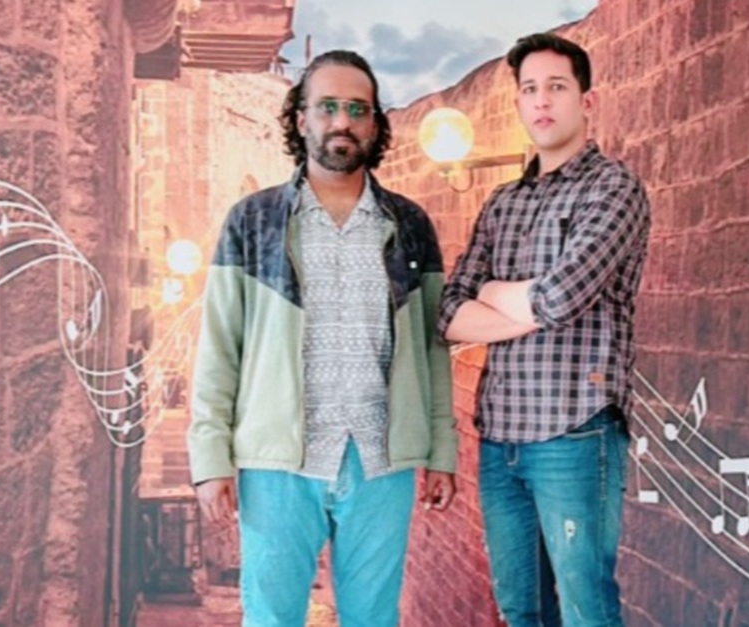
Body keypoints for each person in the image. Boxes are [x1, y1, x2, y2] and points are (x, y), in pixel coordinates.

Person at [187, 49, 458, 626]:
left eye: (358, 109)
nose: (342, 121)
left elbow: (432, 350)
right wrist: (210, 457)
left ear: (375, 124)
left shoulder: (410, 226)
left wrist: (441, 451)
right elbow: (218, 348)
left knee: (372, 619)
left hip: (380, 461)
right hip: (278, 461)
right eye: (327, 106)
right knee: (271, 618)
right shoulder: (252, 221)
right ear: (300, 118)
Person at [438, 32, 651, 626]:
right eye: (530, 89)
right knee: (520, 610)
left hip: (574, 431)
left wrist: (492, 290)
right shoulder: (501, 203)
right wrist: (523, 303)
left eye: (556, 86)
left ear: (587, 100)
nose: (542, 101)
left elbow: (562, 297)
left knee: (585, 610)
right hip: (501, 439)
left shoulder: (613, 189)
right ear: (518, 103)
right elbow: (449, 314)